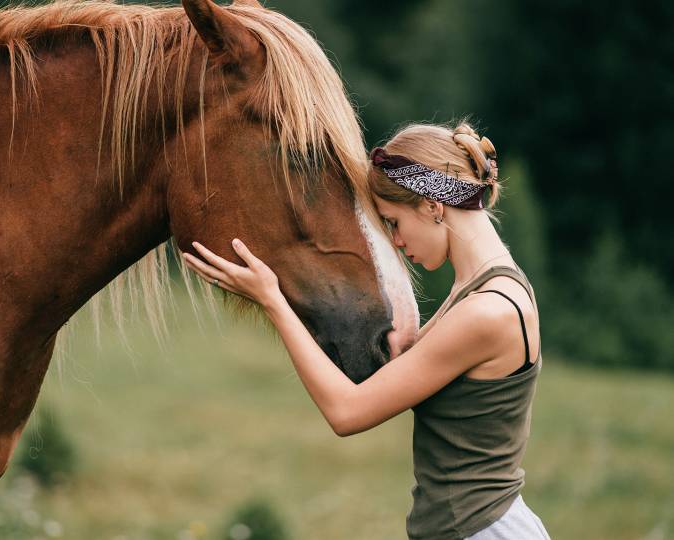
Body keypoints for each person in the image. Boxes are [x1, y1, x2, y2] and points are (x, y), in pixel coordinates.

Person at [182, 121, 552, 540]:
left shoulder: (486, 312)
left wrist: (273, 300)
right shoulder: (484, 288)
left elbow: (347, 412)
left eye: (393, 222)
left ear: (433, 206)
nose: (395, 240)